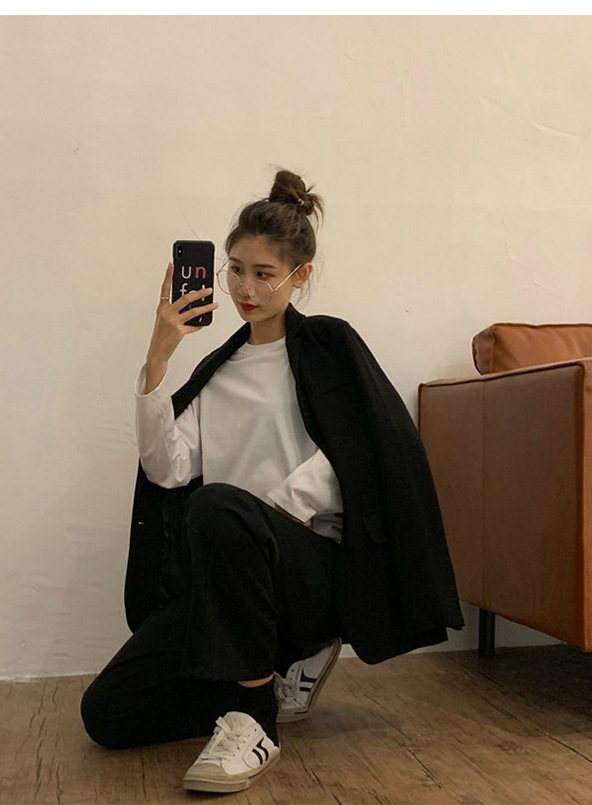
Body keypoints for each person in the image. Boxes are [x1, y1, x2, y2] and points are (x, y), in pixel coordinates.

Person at [80, 169, 464, 794]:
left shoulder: (328, 346)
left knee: (220, 508)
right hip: (231, 577)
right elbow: (166, 469)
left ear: (300, 275)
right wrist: (158, 357)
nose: (245, 288)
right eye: (235, 270)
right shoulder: (219, 368)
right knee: (108, 715)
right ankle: (269, 666)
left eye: (264, 274)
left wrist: (271, 511)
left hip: (311, 570)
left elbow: (362, 455)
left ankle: (254, 718)